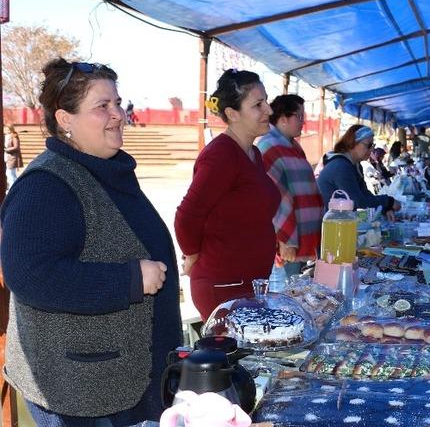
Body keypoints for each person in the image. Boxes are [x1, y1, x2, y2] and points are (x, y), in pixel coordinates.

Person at [0, 59, 181, 425]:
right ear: (65, 119)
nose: (118, 115)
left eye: (118, 103)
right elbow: (32, 276)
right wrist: (128, 281)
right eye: (103, 106)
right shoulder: (45, 186)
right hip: (81, 392)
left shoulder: (105, 170)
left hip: (126, 377)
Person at [175, 69, 280, 320]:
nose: (269, 110)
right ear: (233, 114)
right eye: (258, 104)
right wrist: (192, 254)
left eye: (266, 101)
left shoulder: (253, 155)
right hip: (224, 287)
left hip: (249, 284)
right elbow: (188, 215)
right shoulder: (221, 154)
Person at [257, 94, 324, 278]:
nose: (303, 122)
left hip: (302, 237)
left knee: (297, 292)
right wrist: (285, 240)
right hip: (288, 243)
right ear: (284, 118)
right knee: (287, 295)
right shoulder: (269, 147)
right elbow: (275, 199)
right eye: (299, 116)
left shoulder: (292, 146)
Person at [317, 124, 401, 219]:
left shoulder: (355, 165)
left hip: (342, 220)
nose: (372, 149)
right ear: (353, 143)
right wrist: (388, 201)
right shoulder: (341, 166)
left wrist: (385, 208)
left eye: (373, 145)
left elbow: (365, 194)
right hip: (331, 225)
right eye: (368, 145)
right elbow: (358, 201)